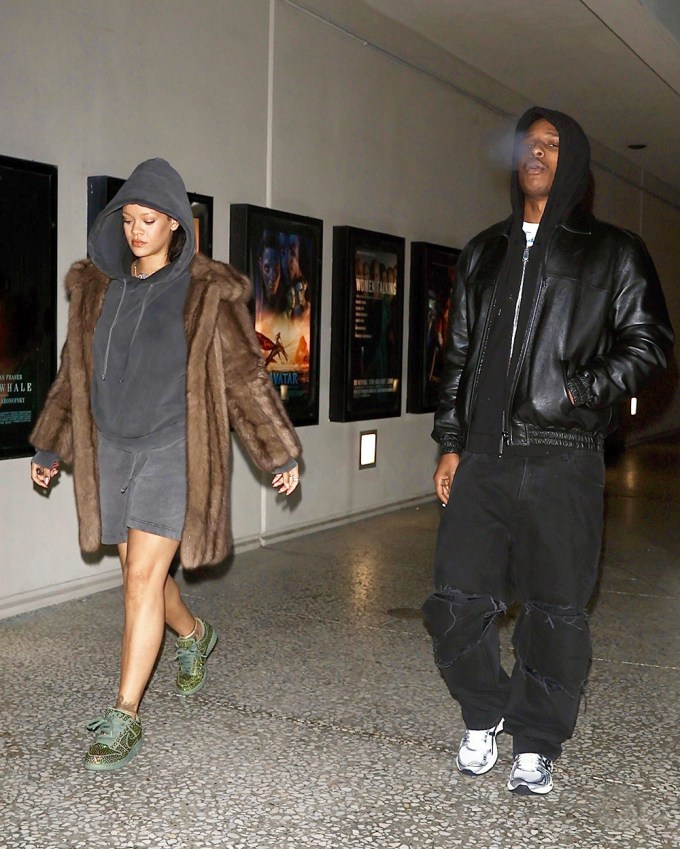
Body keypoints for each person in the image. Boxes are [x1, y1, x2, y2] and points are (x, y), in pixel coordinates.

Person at [422, 107, 673, 795]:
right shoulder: (484, 251)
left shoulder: (613, 251)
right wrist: (449, 442)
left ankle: (536, 740)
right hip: (483, 456)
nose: (535, 152)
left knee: (555, 610)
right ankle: (483, 711)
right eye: (528, 143)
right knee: (453, 601)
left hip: (563, 454)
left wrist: (579, 390)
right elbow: (459, 356)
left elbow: (651, 345)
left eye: (552, 144)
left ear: (577, 162)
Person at [30, 159, 302, 772]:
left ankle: (125, 715)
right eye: (127, 219)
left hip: (173, 449)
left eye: (148, 220)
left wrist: (276, 448)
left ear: (176, 224)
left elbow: (242, 376)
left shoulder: (205, 292)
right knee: (141, 575)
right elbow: (76, 374)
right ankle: (194, 634)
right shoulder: (99, 289)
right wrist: (53, 444)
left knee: (137, 582)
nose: (136, 230)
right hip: (111, 449)